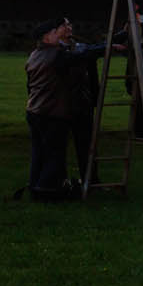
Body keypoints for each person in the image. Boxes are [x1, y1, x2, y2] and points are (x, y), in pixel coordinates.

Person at [25, 16, 102, 200]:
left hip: (36, 111)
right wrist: (110, 46)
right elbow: (84, 55)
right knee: (54, 155)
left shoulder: (35, 55)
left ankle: (36, 187)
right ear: (46, 37)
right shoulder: (57, 54)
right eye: (56, 30)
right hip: (53, 112)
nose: (63, 30)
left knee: (40, 153)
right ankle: (46, 191)